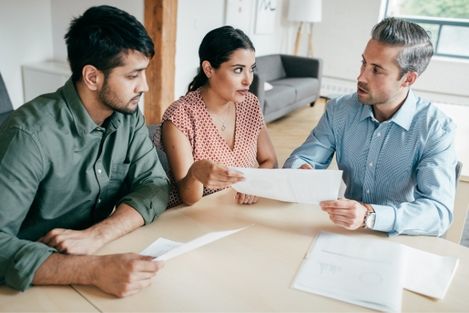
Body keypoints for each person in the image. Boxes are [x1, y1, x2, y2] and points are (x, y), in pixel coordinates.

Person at [0, 5, 170, 297]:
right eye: (133, 76)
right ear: (92, 77)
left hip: (101, 260)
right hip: (31, 285)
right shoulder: (29, 135)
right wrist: (93, 270)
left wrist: (98, 235)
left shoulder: (127, 116)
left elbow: (154, 185)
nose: (144, 86)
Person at [284, 17, 457, 236]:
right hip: (344, 233)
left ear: (408, 79)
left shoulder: (435, 129)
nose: (361, 76)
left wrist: (370, 215)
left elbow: (438, 212)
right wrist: (301, 170)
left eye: (376, 70)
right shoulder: (339, 110)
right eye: (364, 63)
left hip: (402, 239)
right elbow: (303, 159)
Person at [160, 26, 277, 207]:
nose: (248, 80)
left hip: (238, 212)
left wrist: (253, 185)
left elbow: (270, 160)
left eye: (251, 69)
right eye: (238, 70)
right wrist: (195, 173)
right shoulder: (180, 116)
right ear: (208, 69)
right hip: (192, 219)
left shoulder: (250, 104)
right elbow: (189, 197)